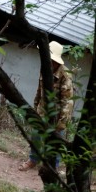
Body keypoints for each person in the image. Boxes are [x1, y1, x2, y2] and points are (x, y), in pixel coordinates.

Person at [18, 41, 73, 171]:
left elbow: (68, 102)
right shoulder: (45, 69)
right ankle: (33, 160)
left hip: (57, 116)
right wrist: (35, 106)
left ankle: (53, 167)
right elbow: (39, 90)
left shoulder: (65, 76)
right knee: (36, 135)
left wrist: (62, 123)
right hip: (42, 112)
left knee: (55, 142)